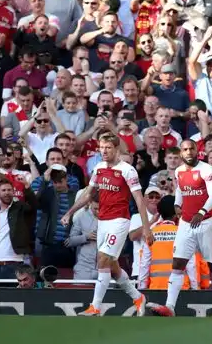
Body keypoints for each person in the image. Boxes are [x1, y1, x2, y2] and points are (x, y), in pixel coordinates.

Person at [61, 132, 153, 317]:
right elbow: (88, 194)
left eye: (108, 148)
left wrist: (146, 227)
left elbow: (139, 200)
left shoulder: (128, 170)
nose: (104, 151)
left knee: (103, 259)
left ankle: (95, 307)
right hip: (103, 220)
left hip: (119, 220)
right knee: (110, 264)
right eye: (101, 148)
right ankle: (137, 297)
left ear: (116, 149)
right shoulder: (99, 168)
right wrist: (70, 212)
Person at [148, 140, 212, 317]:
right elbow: (180, 191)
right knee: (177, 264)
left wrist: (201, 211)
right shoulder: (179, 171)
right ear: (181, 153)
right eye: (185, 150)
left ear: (196, 150)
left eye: (191, 148)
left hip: (206, 222)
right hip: (185, 223)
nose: (189, 152)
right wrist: (177, 204)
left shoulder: (206, 169)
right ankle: (170, 307)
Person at [0, 178, 37, 279]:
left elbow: (34, 205)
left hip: (16, 263)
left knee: (14, 295)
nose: (7, 193)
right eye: (4, 190)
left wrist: (27, 187)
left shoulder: (20, 208)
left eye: (9, 190)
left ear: (13, 192)